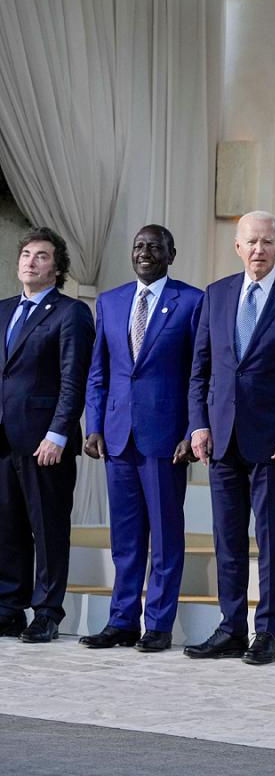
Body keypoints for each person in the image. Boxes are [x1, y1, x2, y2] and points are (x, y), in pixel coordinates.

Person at [185, 211, 275, 665]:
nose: (259, 250)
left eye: (267, 242)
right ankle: (230, 628)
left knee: (269, 540)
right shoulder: (217, 294)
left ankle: (268, 633)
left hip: (273, 443)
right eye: (251, 242)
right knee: (227, 539)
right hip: (221, 439)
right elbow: (200, 369)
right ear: (238, 247)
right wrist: (198, 425)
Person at [81, 225, 202, 652]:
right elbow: (100, 372)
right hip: (116, 437)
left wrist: (192, 430)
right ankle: (122, 621)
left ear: (172, 253)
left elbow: (196, 374)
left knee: (166, 536)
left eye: (154, 246)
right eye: (138, 246)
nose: (145, 252)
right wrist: (93, 424)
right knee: (126, 538)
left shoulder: (191, 301)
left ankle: (158, 625)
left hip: (167, 438)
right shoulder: (111, 302)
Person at [0, 228, 94, 643]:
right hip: (3, 438)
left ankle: (48, 611)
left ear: (57, 268)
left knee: (49, 527)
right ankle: (8, 606)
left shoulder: (70, 313)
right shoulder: (2, 310)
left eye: (41, 256)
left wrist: (58, 432)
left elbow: (74, 380)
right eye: (25, 254)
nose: (30, 261)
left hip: (44, 442)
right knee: (7, 526)